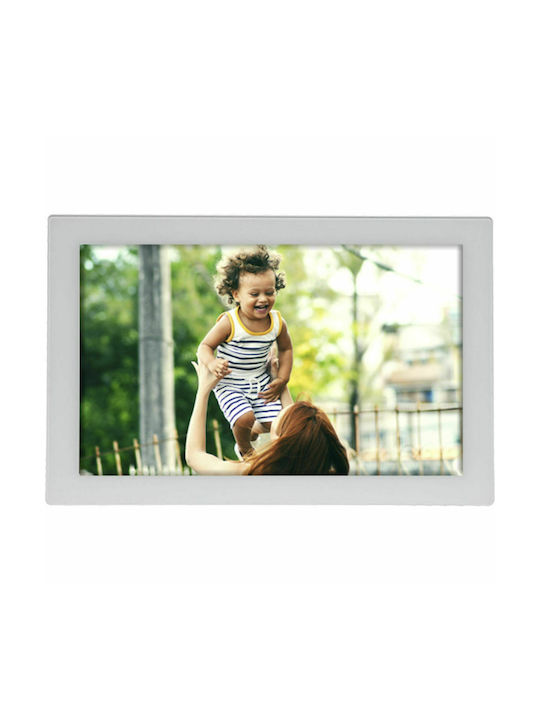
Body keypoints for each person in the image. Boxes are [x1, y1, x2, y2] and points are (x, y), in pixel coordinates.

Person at [197, 245, 293, 459]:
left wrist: (282, 379)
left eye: (270, 292)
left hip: (260, 381)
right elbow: (204, 347)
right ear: (236, 294)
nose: (263, 299)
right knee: (244, 419)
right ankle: (245, 450)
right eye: (254, 294)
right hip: (230, 382)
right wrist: (212, 363)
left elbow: (286, 349)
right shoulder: (229, 322)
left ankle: (255, 430)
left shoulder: (277, 322)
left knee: (277, 424)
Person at [185, 361, 350, 476]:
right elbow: (294, 431)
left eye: (277, 417)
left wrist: (203, 390)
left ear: (279, 441)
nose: (278, 411)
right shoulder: (324, 473)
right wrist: (278, 381)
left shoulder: (257, 472)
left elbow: (194, 456)